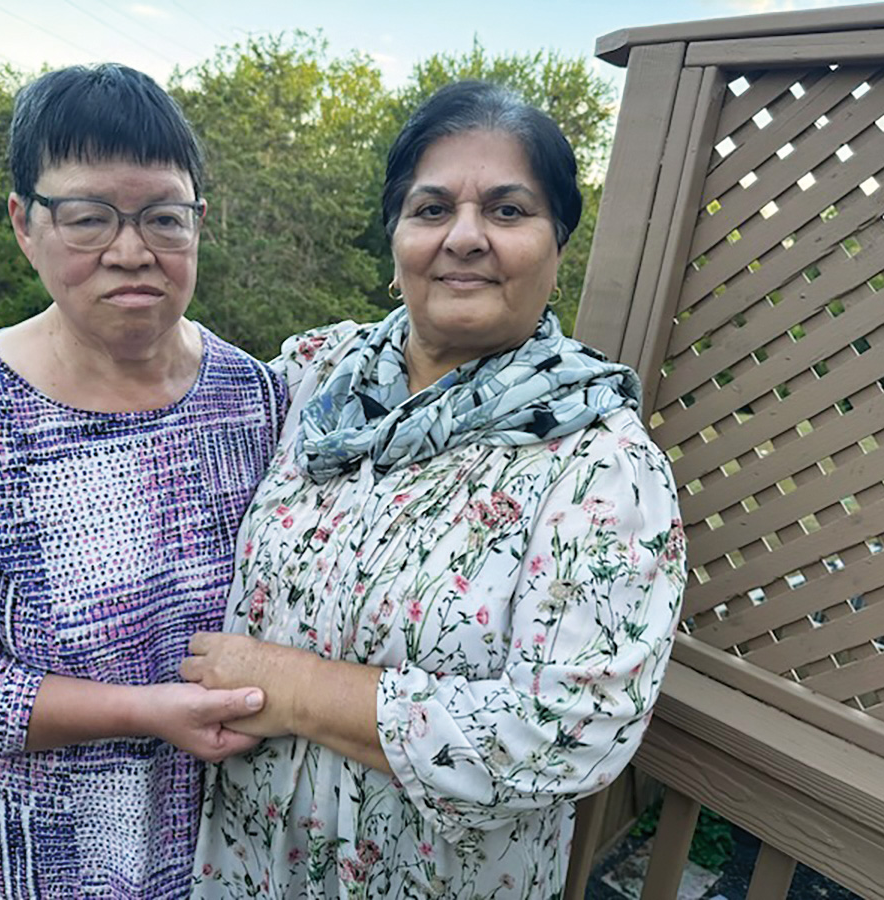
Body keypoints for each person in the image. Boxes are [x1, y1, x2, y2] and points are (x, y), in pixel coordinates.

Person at [184, 80, 687, 898]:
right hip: (245, 865)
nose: (464, 237)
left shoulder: (598, 463)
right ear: (395, 241)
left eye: (508, 210)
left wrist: (292, 687)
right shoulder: (316, 381)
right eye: (430, 210)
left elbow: (567, 735)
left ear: (559, 243)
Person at [0, 64, 284, 900]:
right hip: (5, 864)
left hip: (203, 856)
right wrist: (145, 710)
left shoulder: (254, 394)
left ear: (199, 222)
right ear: (25, 222)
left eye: (164, 218)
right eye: (90, 218)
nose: (131, 253)